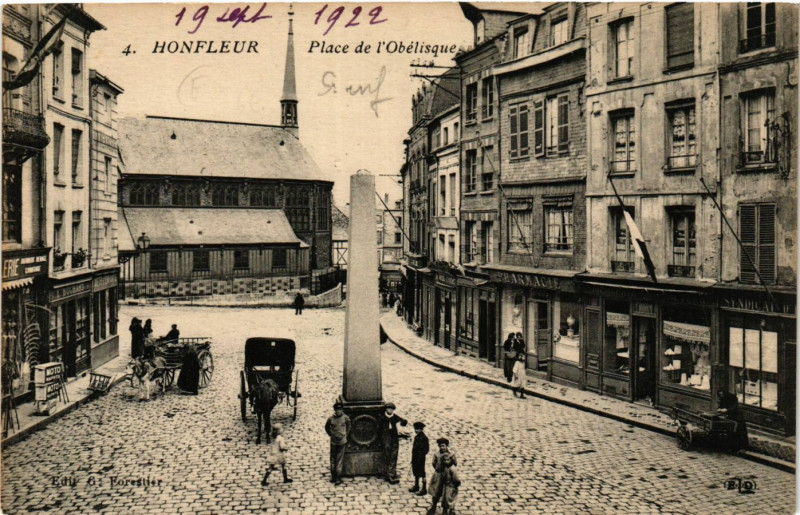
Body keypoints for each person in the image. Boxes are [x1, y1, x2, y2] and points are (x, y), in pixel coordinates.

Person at [378, 402, 407, 484]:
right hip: (386, 438)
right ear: (386, 409)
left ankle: (392, 472)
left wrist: (404, 421)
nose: (390, 410)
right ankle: (389, 474)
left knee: (394, 454)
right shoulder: (382, 418)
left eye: (392, 409)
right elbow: (378, 429)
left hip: (394, 437)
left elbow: (402, 421)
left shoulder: (394, 417)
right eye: (389, 409)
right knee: (387, 455)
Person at [427, 438, 457, 515]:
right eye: (440, 446)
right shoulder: (436, 455)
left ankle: (446, 510)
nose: (442, 448)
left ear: (447, 446)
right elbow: (434, 463)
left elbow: (455, 463)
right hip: (438, 476)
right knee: (436, 493)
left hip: (447, 477)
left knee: (446, 494)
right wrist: (438, 471)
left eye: (443, 446)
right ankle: (433, 506)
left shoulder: (451, 455)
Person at [325, 402, 351, 485]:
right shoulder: (330, 419)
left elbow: (349, 425)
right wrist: (331, 434)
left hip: (342, 442)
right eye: (337, 410)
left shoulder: (345, 418)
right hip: (333, 442)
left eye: (340, 410)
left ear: (342, 410)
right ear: (335, 410)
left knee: (339, 460)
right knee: (333, 458)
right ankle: (333, 476)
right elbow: (327, 427)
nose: (338, 411)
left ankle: (338, 478)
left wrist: (345, 435)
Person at [409, 422, 429, 496]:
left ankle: (424, 488)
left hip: (421, 459)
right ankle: (416, 486)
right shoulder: (416, 437)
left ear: (421, 429)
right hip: (415, 458)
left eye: (418, 429)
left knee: (422, 473)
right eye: (415, 429)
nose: (416, 431)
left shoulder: (424, 438)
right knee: (416, 472)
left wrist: (421, 455)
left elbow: (426, 449)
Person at [511, 334, 527, 399]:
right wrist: (516, 375)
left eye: (520, 337)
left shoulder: (523, 363)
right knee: (517, 383)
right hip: (518, 373)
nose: (520, 338)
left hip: (522, 374)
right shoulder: (517, 362)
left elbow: (523, 346)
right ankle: (514, 390)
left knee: (523, 384)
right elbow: (514, 370)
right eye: (518, 337)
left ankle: (522, 394)